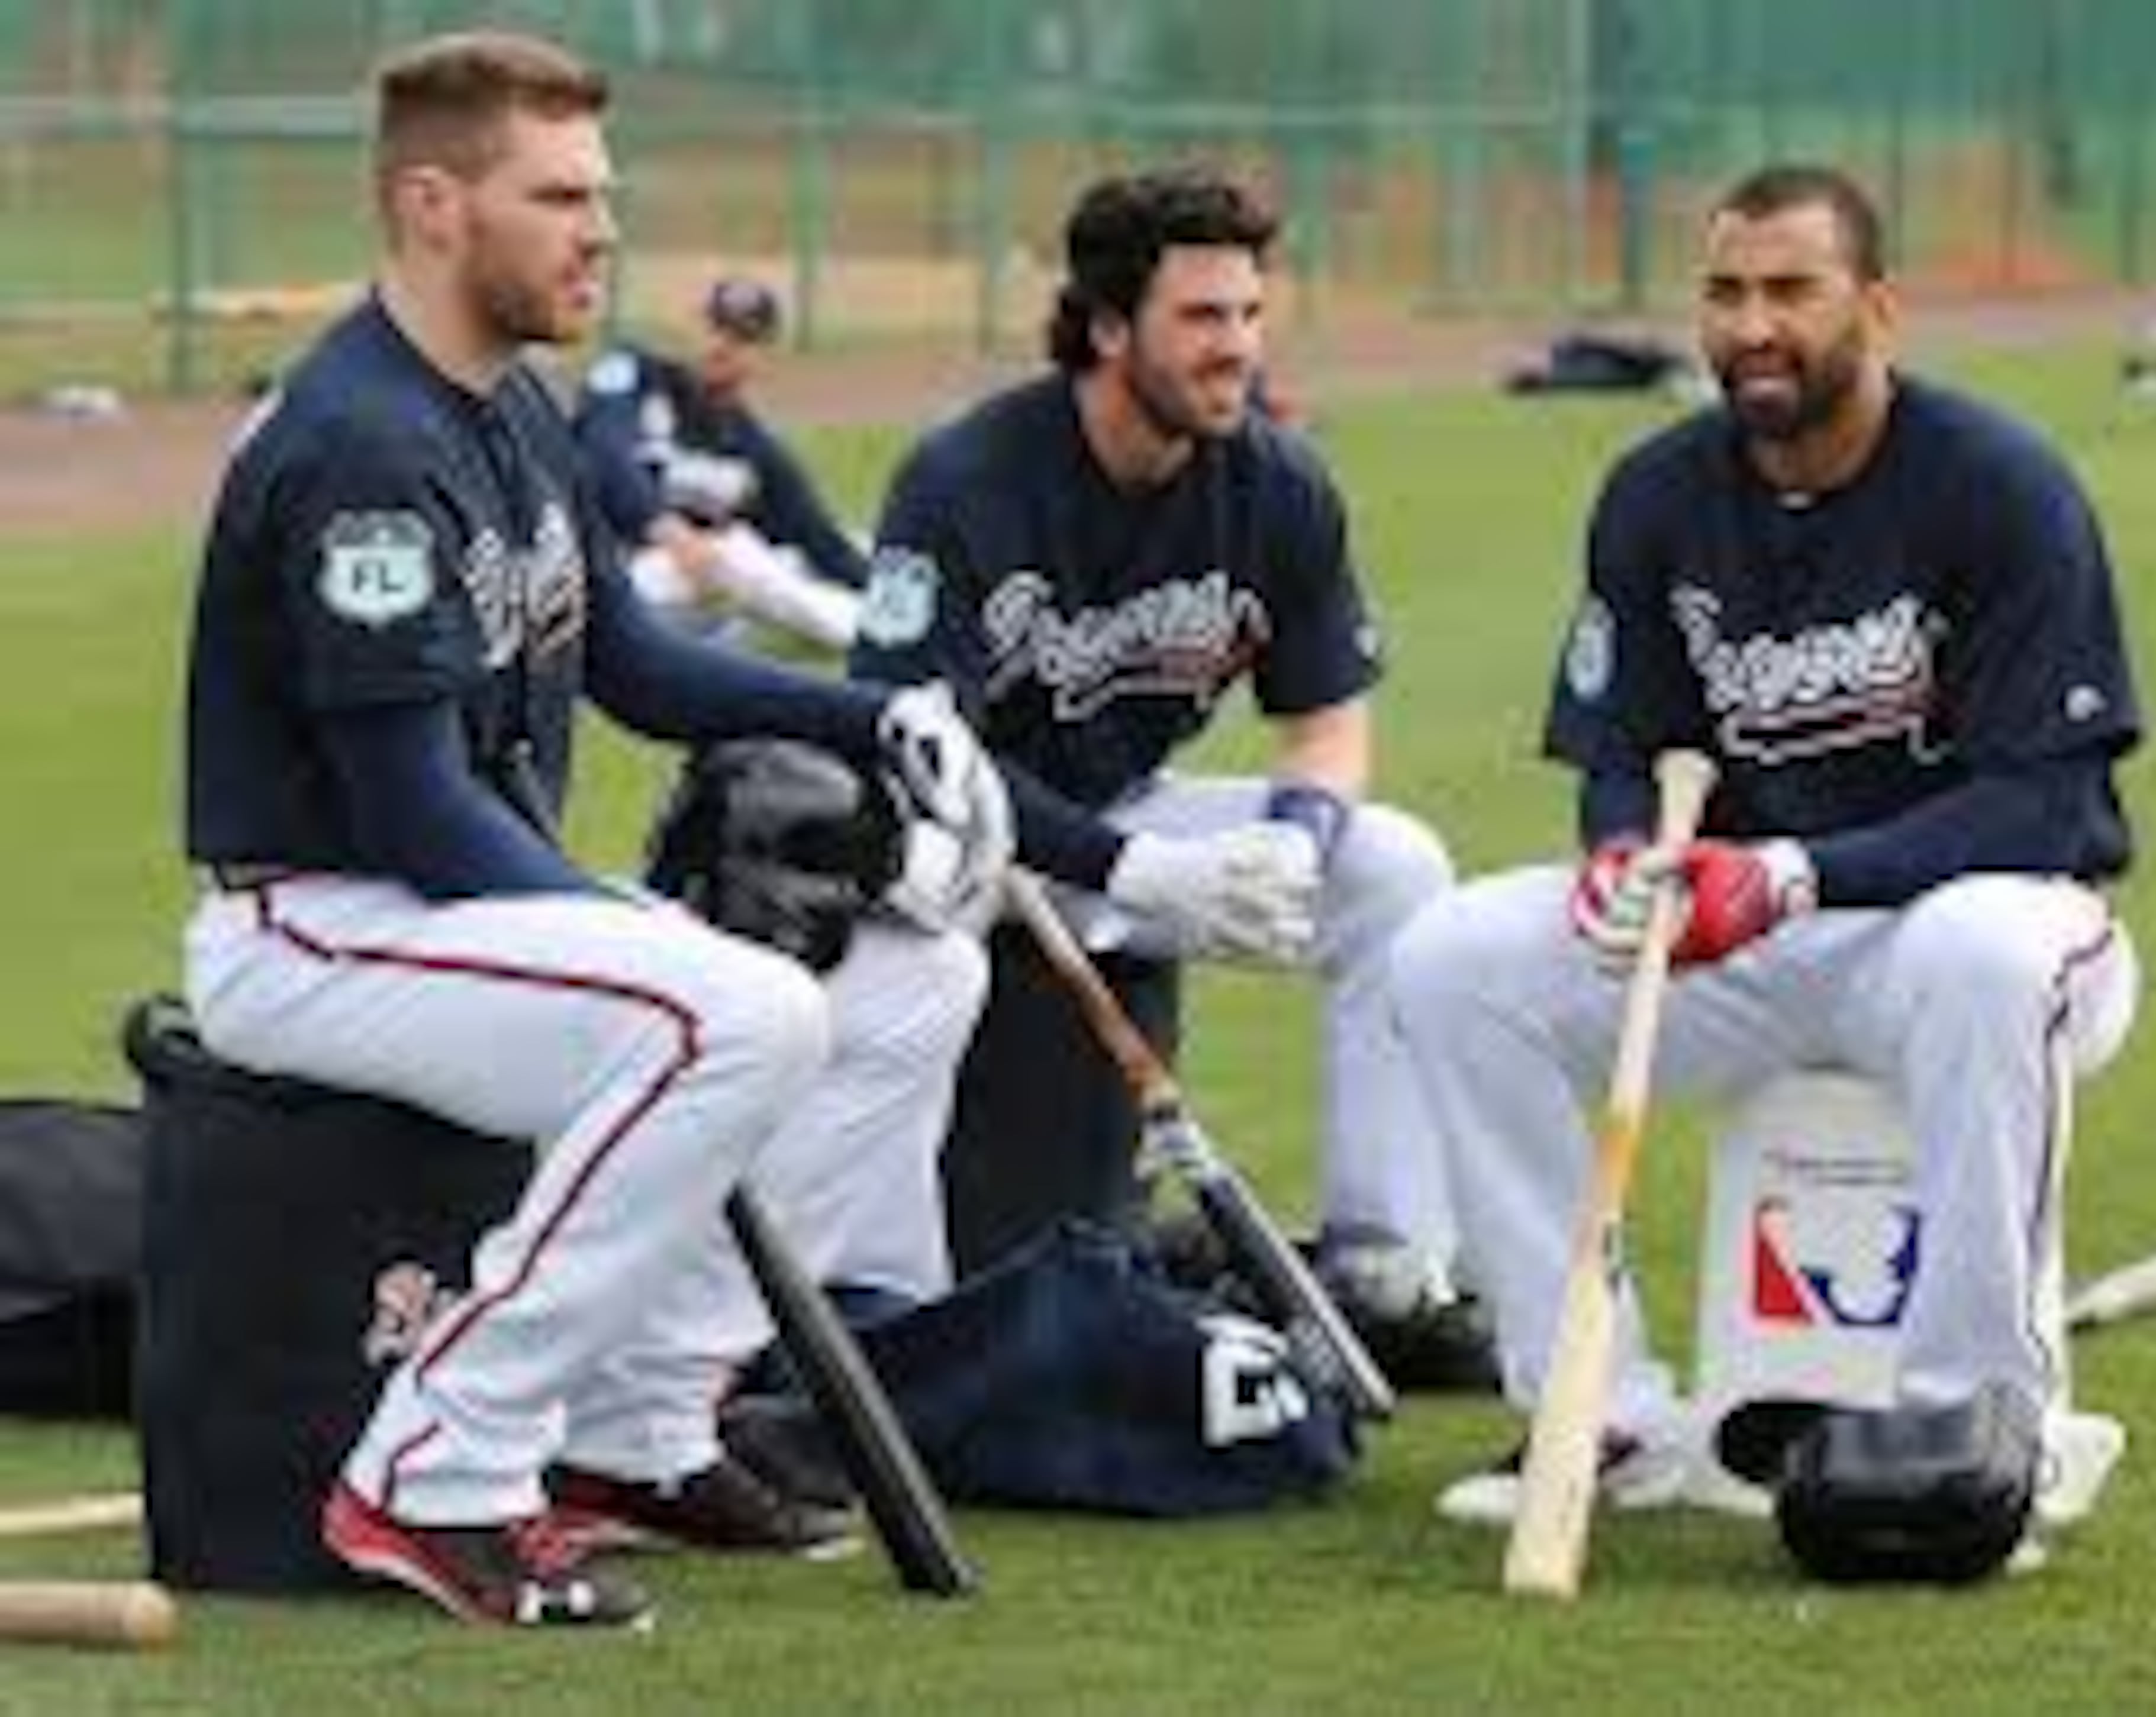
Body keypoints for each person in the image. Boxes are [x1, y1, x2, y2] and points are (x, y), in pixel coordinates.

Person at [179, 31, 1006, 1630]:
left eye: (600, 194)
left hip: (441, 901)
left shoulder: (511, 408)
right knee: (736, 1003)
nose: (600, 230)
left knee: (910, 977)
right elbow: (409, 808)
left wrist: (881, 712)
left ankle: (636, 1426)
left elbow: (631, 665)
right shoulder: (361, 440)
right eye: (557, 194)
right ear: (433, 205)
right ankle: (438, 1465)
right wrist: (646, 932)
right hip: (316, 919)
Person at [1390, 163, 2144, 1531]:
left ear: (1877, 307)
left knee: (1981, 950)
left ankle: (1978, 1429)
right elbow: (1622, 748)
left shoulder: (1999, 487)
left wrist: (1793, 873)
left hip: (1990, 933)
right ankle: (1597, 1416)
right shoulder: (1654, 494)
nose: (1751, 325)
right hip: (1746, 934)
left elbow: (2040, 803)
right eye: (1725, 292)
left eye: (1790, 290)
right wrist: (1622, 857)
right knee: (1452, 959)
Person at [848, 165, 1481, 1367]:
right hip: (959, 848)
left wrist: (1300, 834)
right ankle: (885, 1301)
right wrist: (1136, 869)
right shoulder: (968, 480)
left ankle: (1383, 1265)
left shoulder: (1277, 482)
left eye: (1249, 314)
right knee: (921, 956)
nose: (1236, 348)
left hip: (1116, 820)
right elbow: (917, 749)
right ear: (1104, 327)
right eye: (1201, 319)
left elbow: (1330, 719)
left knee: (1396, 867)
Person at [574, 272, 868, 650]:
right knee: (736, 550)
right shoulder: (630, 376)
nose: (723, 345)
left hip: (685, 590)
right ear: (693, 326)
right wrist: (669, 531)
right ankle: (877, 636)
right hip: (603, 574)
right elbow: (604, 456)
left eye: (744, 338)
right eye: (717, 327)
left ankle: (909, 618)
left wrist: (876, 585)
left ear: (763, 355)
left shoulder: (753, 448)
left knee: (855, 542)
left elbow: (823, 542)